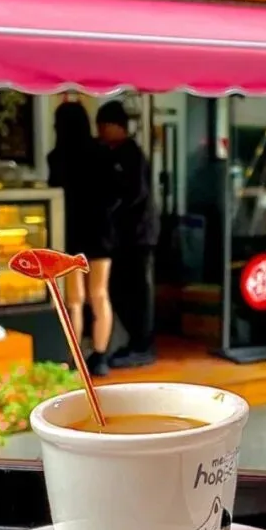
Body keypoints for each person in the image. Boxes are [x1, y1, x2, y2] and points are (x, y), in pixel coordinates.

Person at [47, 99, 114, 371]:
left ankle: (75, 360)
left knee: (74, 300)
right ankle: (101, 357)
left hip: (71, 231)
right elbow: (113, 192)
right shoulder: (102, 152)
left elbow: (56, 193)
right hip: (100, 231)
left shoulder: (56, 157)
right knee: (100, 294)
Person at [96, 99, 160, 369]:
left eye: (103, 126)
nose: (100, 131)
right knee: (121, 290)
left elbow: (136, 194)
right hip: (124, 237)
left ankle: (143, 346)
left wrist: (112, 211)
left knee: (137, 292)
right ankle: (135, 342)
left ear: (116, 126)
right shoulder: (113, 153)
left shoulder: (131, 154)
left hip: (139, 236)